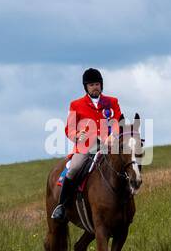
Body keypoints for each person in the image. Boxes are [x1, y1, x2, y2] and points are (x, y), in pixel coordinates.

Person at [51, 67, 123, 221]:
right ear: (86, 87)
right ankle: (62, 206)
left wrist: (113, 135)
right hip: (86, 147)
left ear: (101, 85)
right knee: (74, 168)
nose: (95, 87)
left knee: (126, 164)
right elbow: (69, 129)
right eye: (91, 85)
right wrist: (77, 136)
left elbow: (117, 121)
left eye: (97, 84)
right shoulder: (76, 104)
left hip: (109, 145)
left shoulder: (112, 102)